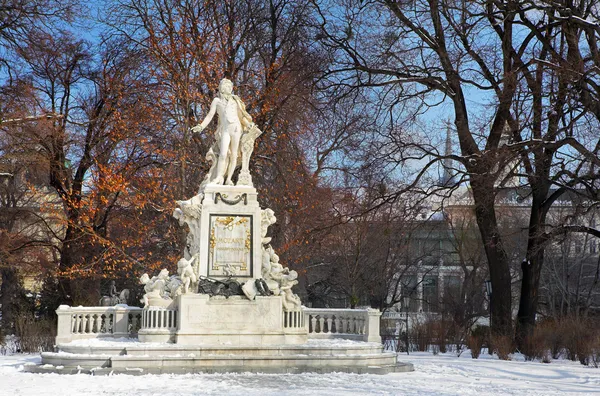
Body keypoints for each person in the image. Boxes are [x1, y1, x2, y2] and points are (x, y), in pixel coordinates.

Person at [191, 78, 253, 186]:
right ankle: (219, 177)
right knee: (223, 154)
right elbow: (210, 115)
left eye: (230, 86)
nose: (229, 88)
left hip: (236, 128)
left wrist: (248, 125)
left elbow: (241, 116)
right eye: (227, 86)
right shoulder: (217, 101)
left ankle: (229, 179)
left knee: (234, 155)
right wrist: (201, 126)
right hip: (225, 130)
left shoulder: (235, 100)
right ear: (221, 88)